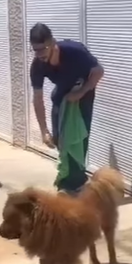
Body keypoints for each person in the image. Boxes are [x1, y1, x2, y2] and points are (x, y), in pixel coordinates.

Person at [30, 23, 104, 193]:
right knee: (59, 139)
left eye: (43, 49)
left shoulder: (74, 51)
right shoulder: (37, 66)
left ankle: (74, 184)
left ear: (53, 42)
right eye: (35, 50)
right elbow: (37, 98)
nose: (40, 54)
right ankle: (68, 178)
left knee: (78, 138)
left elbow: (98, 70)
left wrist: (82, 92)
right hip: (62, 96)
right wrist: (44, 131)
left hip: (83, 95)